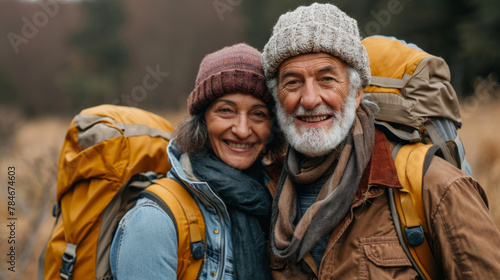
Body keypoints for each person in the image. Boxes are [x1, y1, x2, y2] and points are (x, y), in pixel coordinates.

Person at [261, 3, 500, 279]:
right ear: (277, 98)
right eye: (292, 82)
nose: (310, 99)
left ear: (356, 94)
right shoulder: (266, 193)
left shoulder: (433, 186)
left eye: (327, 79)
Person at [110, 43, 285, 279]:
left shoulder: (282, 202)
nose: (243, 130)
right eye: (226, 111)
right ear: (201, 122)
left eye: (258, 114)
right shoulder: (153, 222)